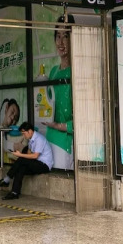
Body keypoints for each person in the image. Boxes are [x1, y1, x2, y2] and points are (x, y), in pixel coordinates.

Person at [41, 14, 75, 170]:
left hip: (66, 143)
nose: (61, 42)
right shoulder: (53, 71)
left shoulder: (77, 71)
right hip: (50, 139)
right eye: (58, 36)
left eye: (65, 36)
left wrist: (58, 125)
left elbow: (83, 120)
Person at [0, 121, 53, 199]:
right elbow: (29, 154)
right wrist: (20, 153)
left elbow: (35, 156)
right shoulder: (31, 139)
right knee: (20, 168)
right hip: (36, 163)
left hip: (44, 165)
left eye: (24, 133)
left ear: (30, 131)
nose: (23, 136)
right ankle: (14, 193)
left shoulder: (39, 139)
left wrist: (20, 155)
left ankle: (6, 180)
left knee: (22, 160)